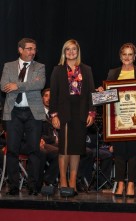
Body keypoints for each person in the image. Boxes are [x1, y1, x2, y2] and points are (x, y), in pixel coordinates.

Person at [97, 43, 136, 198]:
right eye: (124, 54)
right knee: (120, 153)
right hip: (118, 120)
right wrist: (102, 91)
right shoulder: (113, 73)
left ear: (134, 56)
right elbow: (108, 95)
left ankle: (131, 184)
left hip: (135, 120)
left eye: (130, 54)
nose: (127, 57)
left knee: (134, 153)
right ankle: (120, 182)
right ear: (120, 56)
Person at [49, 39, 96, 195]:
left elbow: (91, 93)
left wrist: (91, 112)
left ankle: (73, 182)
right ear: (64, 52)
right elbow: (53, 95)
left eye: (74, 49)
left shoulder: (86, 69)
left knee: (76, 149)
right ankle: (63, 181)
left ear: (78, 51)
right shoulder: (57, 70)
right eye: (67, 49)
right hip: (63, 114)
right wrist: (54, 115)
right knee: (65, 148)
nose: (71, 52)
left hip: (81, 113)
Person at [1, 38, 46, 195]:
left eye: (34, 49)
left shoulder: (40, 67)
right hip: (13, 112)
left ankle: (33, 186)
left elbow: (39, 85)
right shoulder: (9, 66)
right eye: (29, 49)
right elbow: (3, 85)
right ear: (20, 50)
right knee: (12, 150)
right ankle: (13, 186)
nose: (32, 52)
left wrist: (17, 85)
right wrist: (26, 85)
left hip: (33, 113)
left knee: (34, 150)